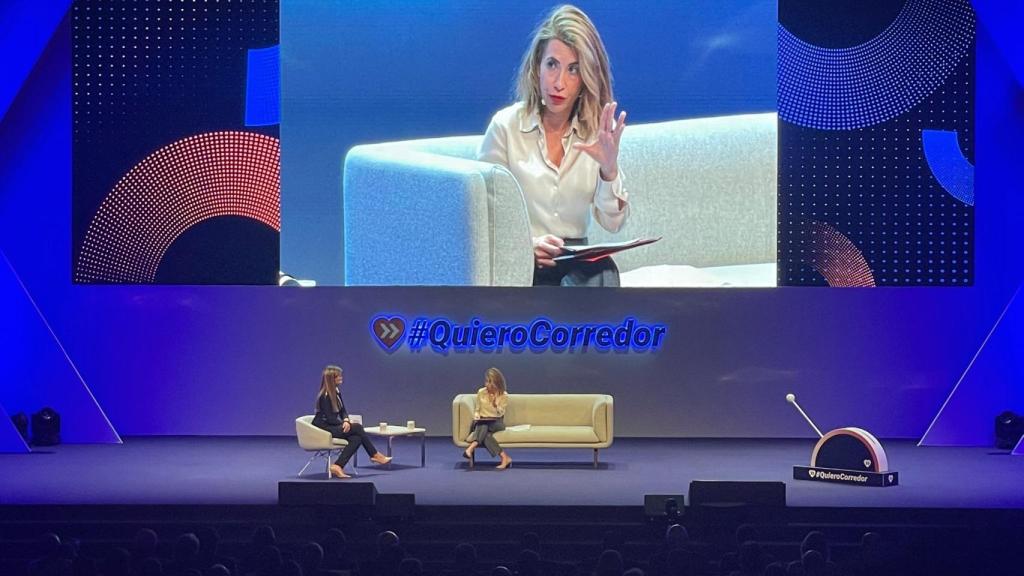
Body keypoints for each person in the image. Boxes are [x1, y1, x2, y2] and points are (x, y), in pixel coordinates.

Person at [479, 5, 629, 287]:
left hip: (576, 260)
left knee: (602, 273)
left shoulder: (597, 134)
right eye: (552, 65)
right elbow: (483, 216)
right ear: (537, 68)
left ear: (586, 78)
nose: (559, 83)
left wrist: (609, 170)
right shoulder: (506, 127)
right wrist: (526, 246)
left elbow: (613, 224)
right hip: (520, 258)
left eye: (573, 70)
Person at [312, 365, 392, 478]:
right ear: (332, 379)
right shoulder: (324, 396)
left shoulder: (336, 392)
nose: (341, 378)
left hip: (332, 425)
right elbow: (329, 418)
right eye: (338, 376)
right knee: (358, 427)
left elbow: (343, 410)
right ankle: (374, 455)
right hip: (324, 428)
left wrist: (345, 420)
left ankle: (338, 466)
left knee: (356, 438)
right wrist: (345, 424)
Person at [462, 367, 512, 469]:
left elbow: (501, 412)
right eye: (486, 381)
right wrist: (476, 415)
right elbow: (477, 409)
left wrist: (495, 404)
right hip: (482, 421)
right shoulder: (481, 392)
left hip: (497, 422)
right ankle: (505, 458)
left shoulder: (503, 395)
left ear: (496, 383)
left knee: (484, 426)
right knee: (486, 434)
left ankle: (471, 447)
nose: (486, 384)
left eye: (490, 382)